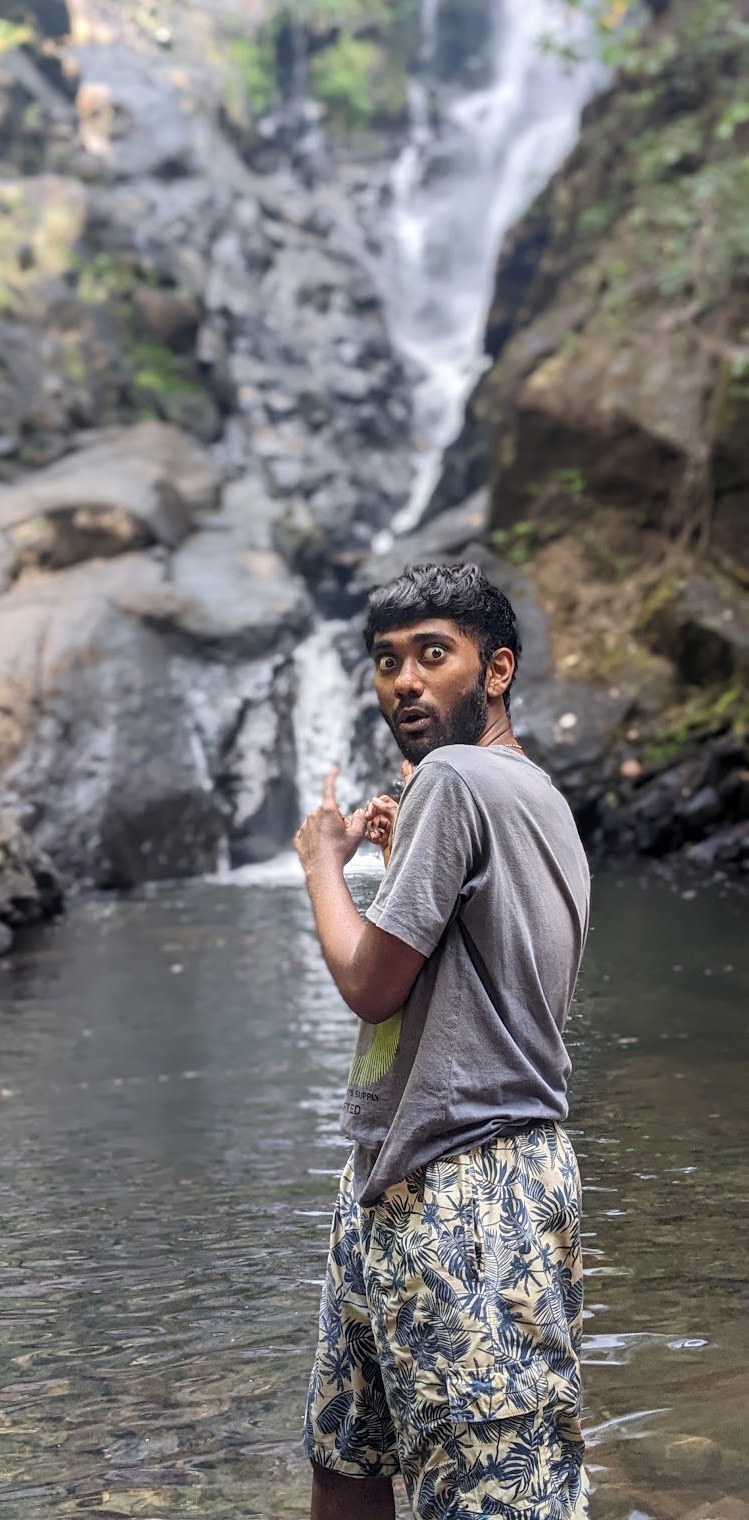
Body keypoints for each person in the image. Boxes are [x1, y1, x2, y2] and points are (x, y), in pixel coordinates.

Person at [293, 562, 591, 1520]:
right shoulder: (523, 789)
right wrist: (400, 851)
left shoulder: (457, 780)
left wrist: (323, 864)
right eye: (387, 661)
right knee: (348, 1452)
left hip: (471, 1190)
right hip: (397, 1172)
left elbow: (369, 984)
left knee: (499, 1490)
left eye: (433, 655)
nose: (404, 682)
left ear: (495, 670)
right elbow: (458, 964)